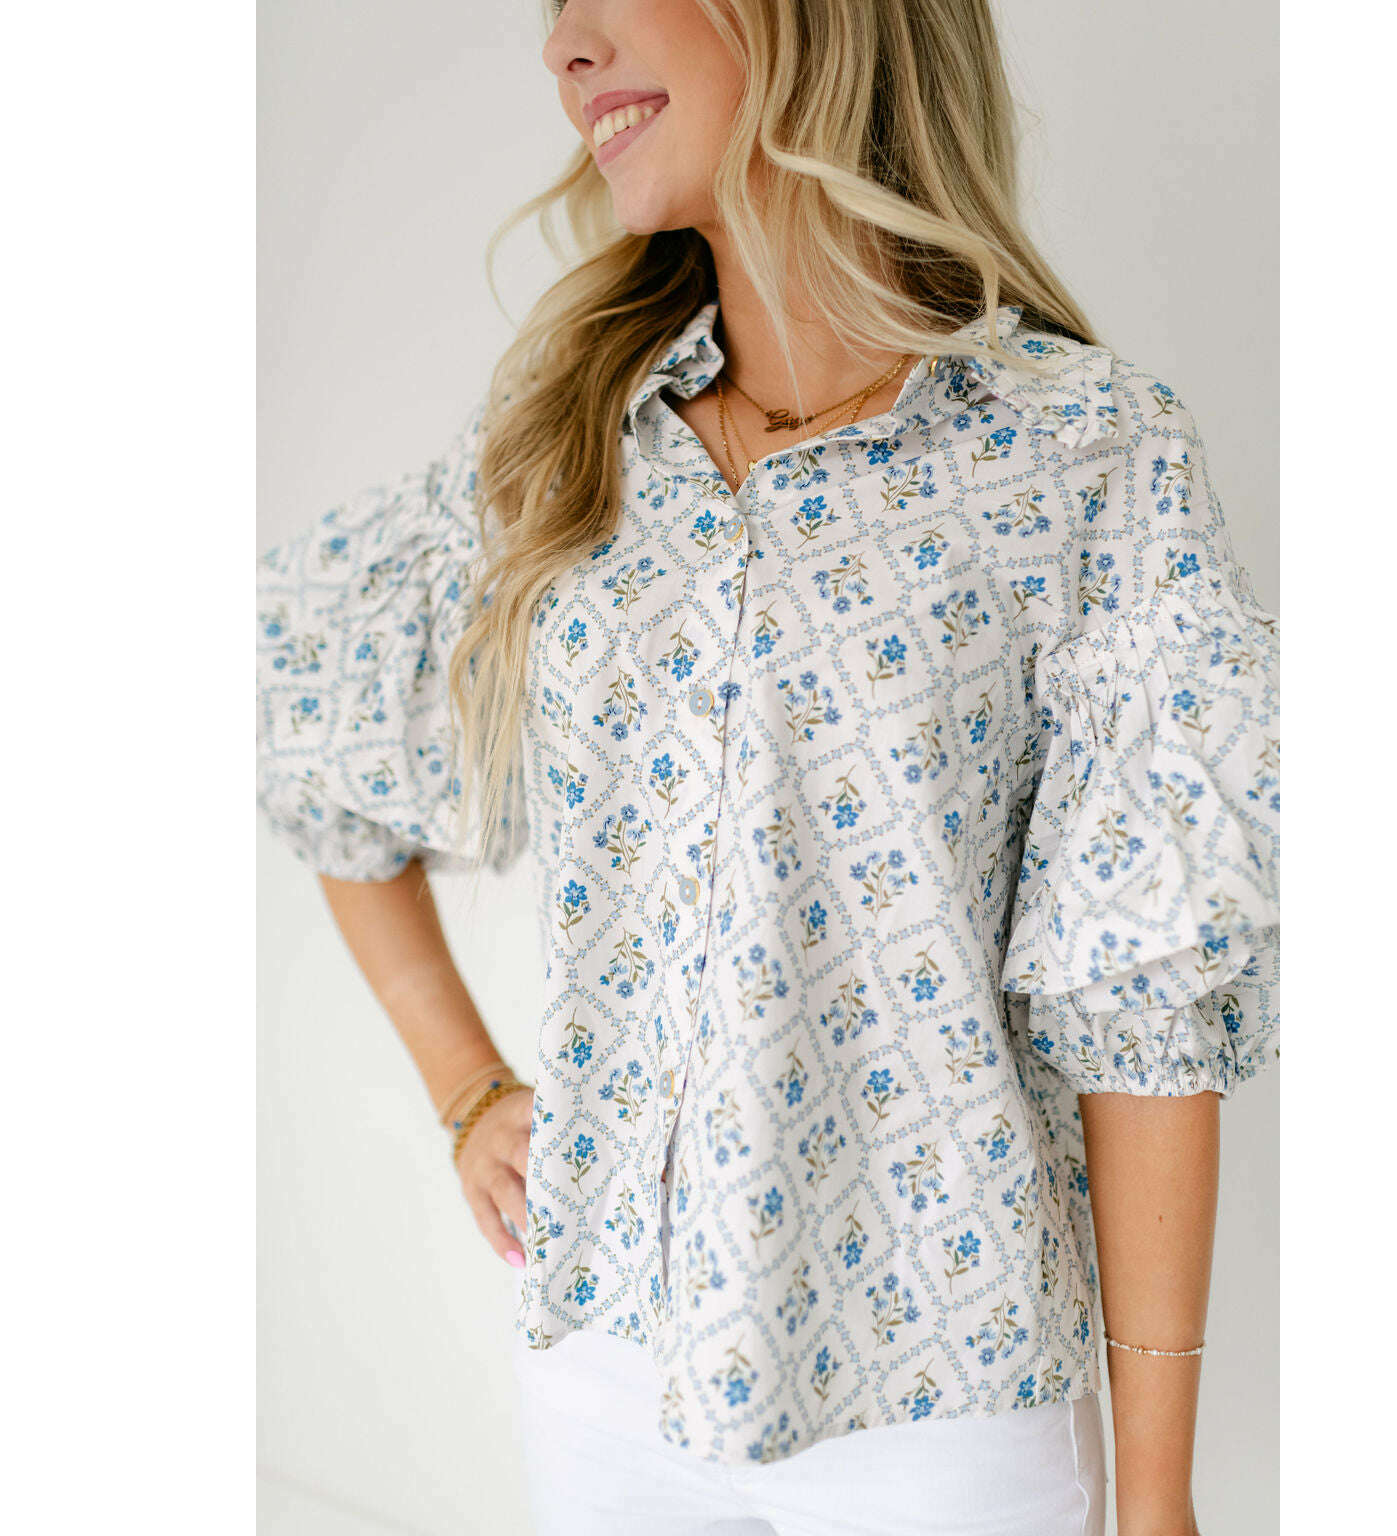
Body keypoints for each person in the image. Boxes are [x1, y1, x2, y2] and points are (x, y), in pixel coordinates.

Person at [255, 1, 1280, 1532]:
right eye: (554, 11)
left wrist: (1157, 1497)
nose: (565, 49)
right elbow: (316, 713)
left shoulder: (1086, 452)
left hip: (944, 1395)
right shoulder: (576, 438)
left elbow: (1142, 999)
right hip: (604, 1368)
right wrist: (468, 1090)